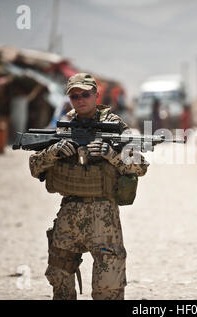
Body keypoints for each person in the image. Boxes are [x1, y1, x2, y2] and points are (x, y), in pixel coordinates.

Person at [28, 73, 149, 300]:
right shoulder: (63, 126)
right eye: (75, 96)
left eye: (85, 94)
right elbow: (35, 167)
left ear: (96, 95)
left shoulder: (114, 127)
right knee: (60, 280)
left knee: (108, 287)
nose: (80, 99)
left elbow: (140, 166)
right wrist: (53, 152)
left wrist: (111, 154)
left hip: (104, 216)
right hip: (70, 212)